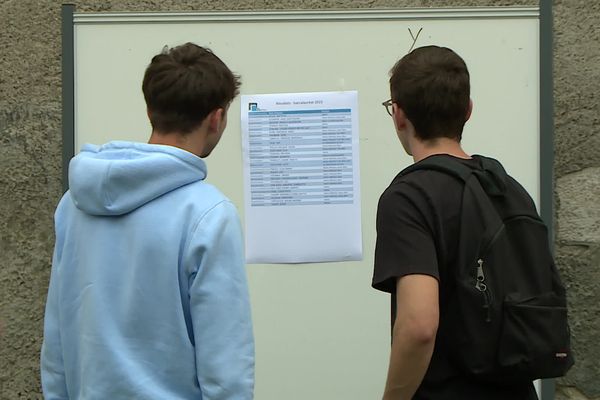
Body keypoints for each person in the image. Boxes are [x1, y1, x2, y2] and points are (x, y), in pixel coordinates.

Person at [41, 43, 254, 399]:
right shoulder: (208, 214)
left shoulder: (73, 204)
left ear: (149, 109)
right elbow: (226, 367)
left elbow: (56, 343)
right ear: (216, 119)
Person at [372, 46, 539, 399]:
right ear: (468, 111)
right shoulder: (509, 189)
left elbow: (418, 325)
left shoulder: (408, 198)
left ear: (399, 115)